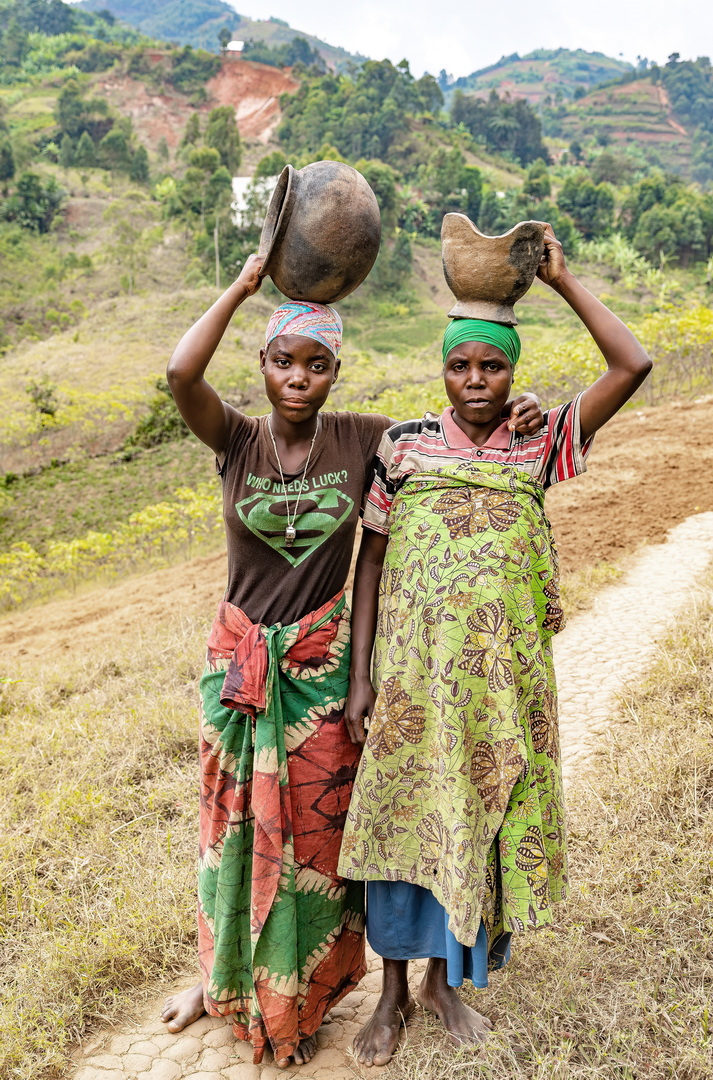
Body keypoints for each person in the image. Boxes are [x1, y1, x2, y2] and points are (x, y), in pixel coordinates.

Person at [159, 253, 543, 1068]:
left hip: (323, 668)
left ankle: (334, 983)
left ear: (336, 373)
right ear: (261, 367)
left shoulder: (367, 439)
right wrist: (243, 286)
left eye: (316, 363)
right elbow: (178, 370)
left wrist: (524, 411)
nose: (298, 379)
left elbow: (458, 423)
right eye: (282, 361)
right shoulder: (233, 439)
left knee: (327, 844)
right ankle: (216, 975)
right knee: (229, 828)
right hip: (239, 667)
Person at [338, 224, 652, 1068]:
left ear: (513, 370)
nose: (475, 381)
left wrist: (561, 282)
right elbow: (370, 564)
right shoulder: (402, 446)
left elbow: (632, 366)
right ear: (438, 370)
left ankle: (443, 983)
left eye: (492, 366)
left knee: (473, 817)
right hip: (408, 682)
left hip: (499, 684)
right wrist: (362, 676)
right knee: (401, 820)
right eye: (459, 365)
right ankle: (392, 990)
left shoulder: (536, 440)